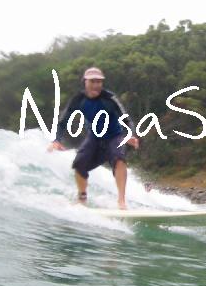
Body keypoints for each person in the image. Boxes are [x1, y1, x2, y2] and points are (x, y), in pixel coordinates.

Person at [47, 67, 139, 209]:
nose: (96, 85)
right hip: (94, 137)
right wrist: (56, 140)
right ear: (85, 82)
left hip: (115, 136)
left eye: (99, 82)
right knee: (79, 163)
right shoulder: (79, 99)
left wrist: (130, 135)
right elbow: (63, 121)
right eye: (93, 81)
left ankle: (121, 201)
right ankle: (82, 198)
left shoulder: (109, 98)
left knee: (119, 159)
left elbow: (126, 119)